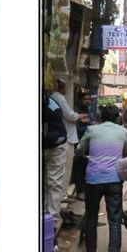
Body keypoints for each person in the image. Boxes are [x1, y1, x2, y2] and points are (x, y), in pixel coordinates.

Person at [76, 104, 127, 252]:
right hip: (114, 180)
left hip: (93, 180)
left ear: (100, 117)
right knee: (115, 221)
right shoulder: (123, 132)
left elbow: (79, 149)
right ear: (117, 118)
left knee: (92, 217)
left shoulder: (92, 130)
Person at [44, 87, 79, 219]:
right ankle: (51, 216)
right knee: (53, 182)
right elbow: (70, 116)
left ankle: (51, 216)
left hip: (55, 145)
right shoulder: (53, 99)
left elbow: (69, 116)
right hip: (56, 144)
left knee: (52, 182)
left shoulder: (53, 99)